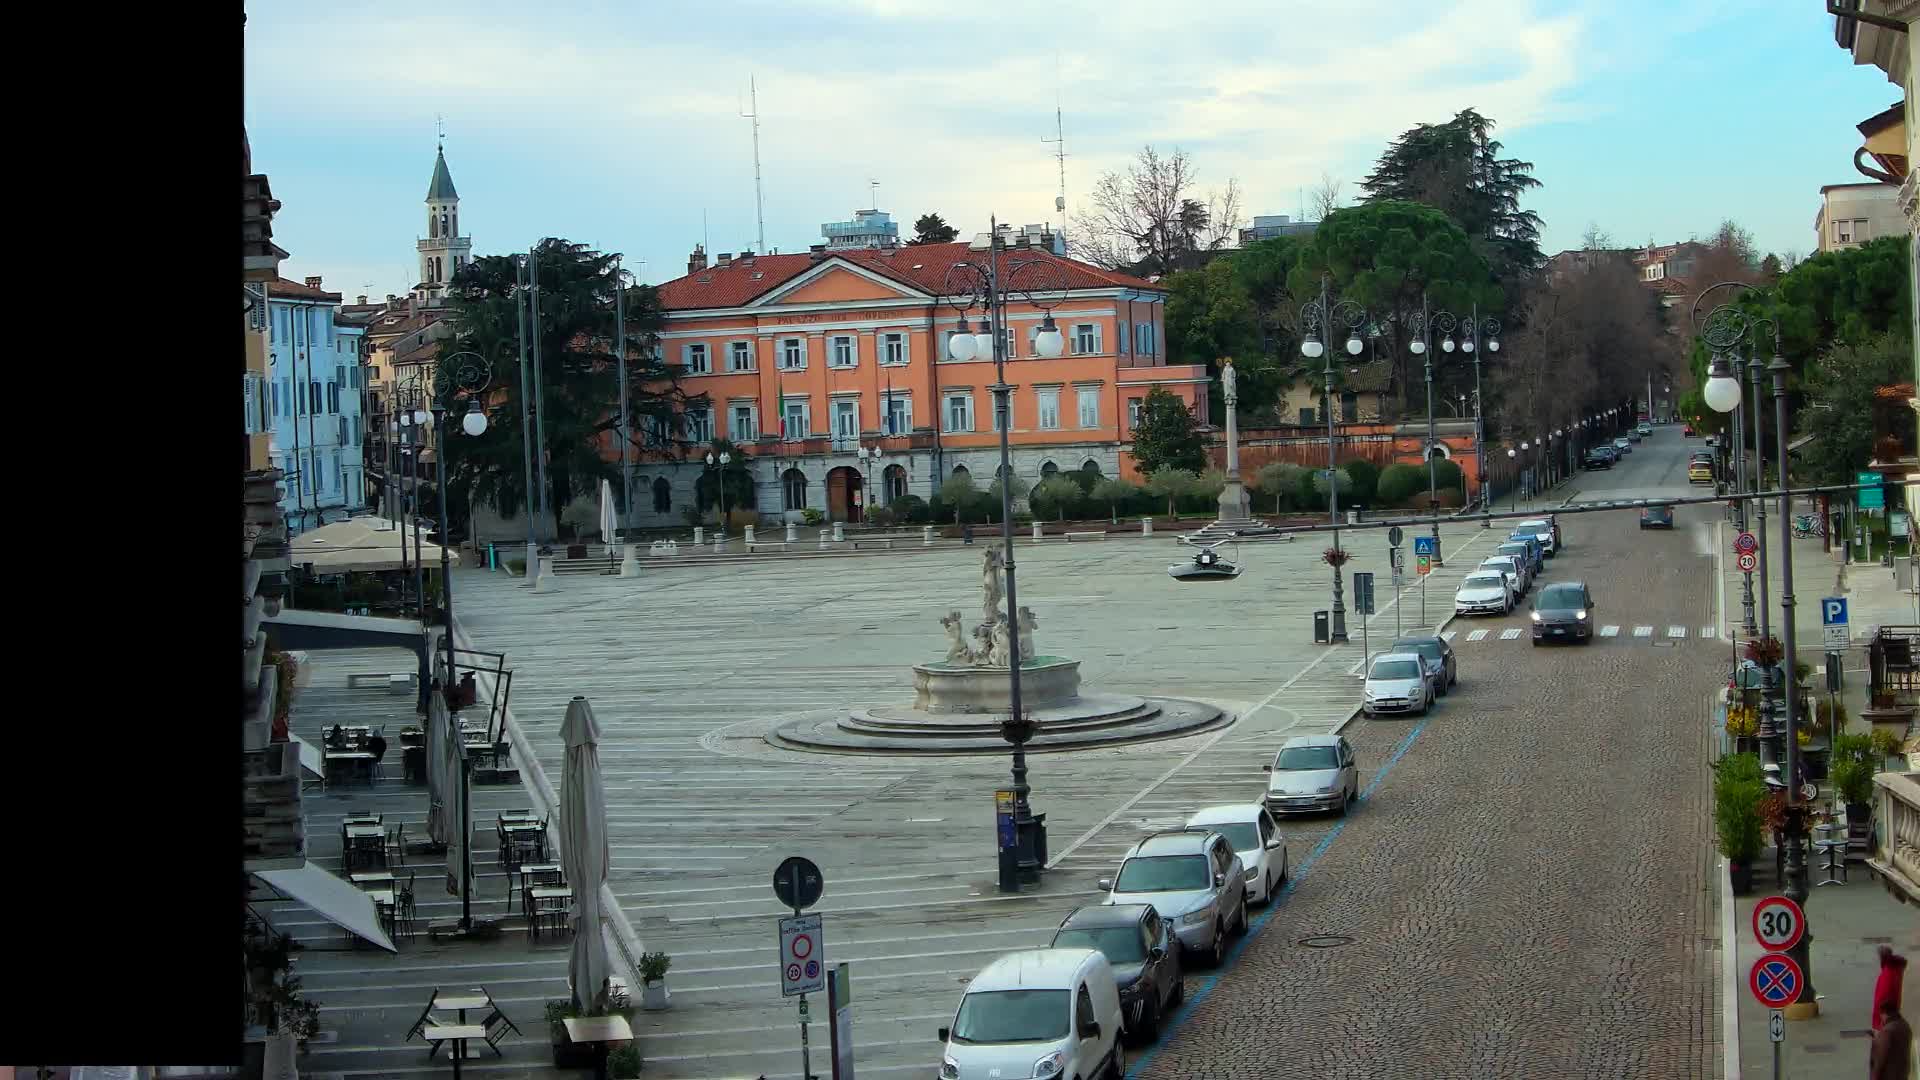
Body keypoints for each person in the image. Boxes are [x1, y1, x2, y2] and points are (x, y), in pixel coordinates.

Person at [1870, 999, 1912, 1080]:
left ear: (1884, 1013)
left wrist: (1874, 1077)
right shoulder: (1905, 1026)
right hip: (1902, 1074)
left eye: (1881, 1015)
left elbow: (1880, 1059)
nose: (1881, 1019)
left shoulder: (1887, 1030)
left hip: (1889, 1075)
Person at [1875, 946, 1908, 1031]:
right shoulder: (1894, 969)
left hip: (1887, 1013)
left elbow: (1883, 995)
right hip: (1891, 1011)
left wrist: (1881, 1016)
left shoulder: (1889, 971)